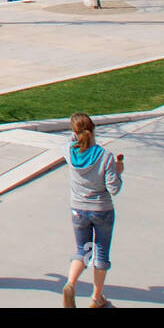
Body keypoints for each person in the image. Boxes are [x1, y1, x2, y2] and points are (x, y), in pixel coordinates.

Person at [60, 112, 124, 308]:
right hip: (102, 210)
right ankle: (96, 298)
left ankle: (70, 283)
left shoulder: (69, 151)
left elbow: (72, 140)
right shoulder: (105, 157)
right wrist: (118, 169)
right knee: (101, 252)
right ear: (94, 130)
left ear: (75, 132)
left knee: (83, 250)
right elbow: (114, 188)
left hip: (78, 209)